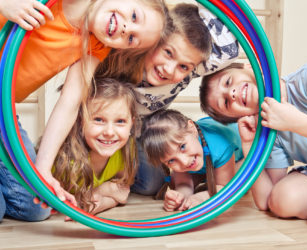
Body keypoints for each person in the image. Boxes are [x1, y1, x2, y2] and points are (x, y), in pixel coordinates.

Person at [0, 0, 169, 221]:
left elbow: (70, 102)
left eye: (131, 39)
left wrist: (43, 168)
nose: (128, 28)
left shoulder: (96, 45)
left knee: (36, 208)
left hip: (3, 114)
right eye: (135, 16)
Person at [95, 2, 241, 197]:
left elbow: (231, 41)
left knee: (151, 185)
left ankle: (118, 182)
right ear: (155, 39)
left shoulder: (195, 62)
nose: (170, 70)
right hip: (109, 123)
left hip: (144, 130)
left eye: (183, 67)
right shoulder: (126, 51)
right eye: (168, 53)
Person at [199, 60, 307, 231]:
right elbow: (266, 201)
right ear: (237, 117)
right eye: (226, 102)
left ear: (249, 66)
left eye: (228, 82)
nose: (231, 93)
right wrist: (249, 146)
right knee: (282, 200)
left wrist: (296, 123)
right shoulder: (269, 125)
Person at [50, 77, 137, 215]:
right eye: (98, 120)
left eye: (120, 121)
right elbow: (56, 204)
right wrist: (104, 192)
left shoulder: (126, 148)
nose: (109, 132)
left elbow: (123, 192)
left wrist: (103, 201)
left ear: (131, 124)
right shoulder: (64, 157)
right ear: (80, 121)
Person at [140, 109, 243, 211]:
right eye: (171, 161)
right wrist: (179, 198)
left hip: (241, 155)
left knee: (238, 180)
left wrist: (200, 198)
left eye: (182, 147)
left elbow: (226, 188)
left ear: (192, 129)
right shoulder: (186, 153)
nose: (184, 162)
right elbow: (184, 184)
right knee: (176, 180)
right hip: (206, 157)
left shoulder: (220, 147)